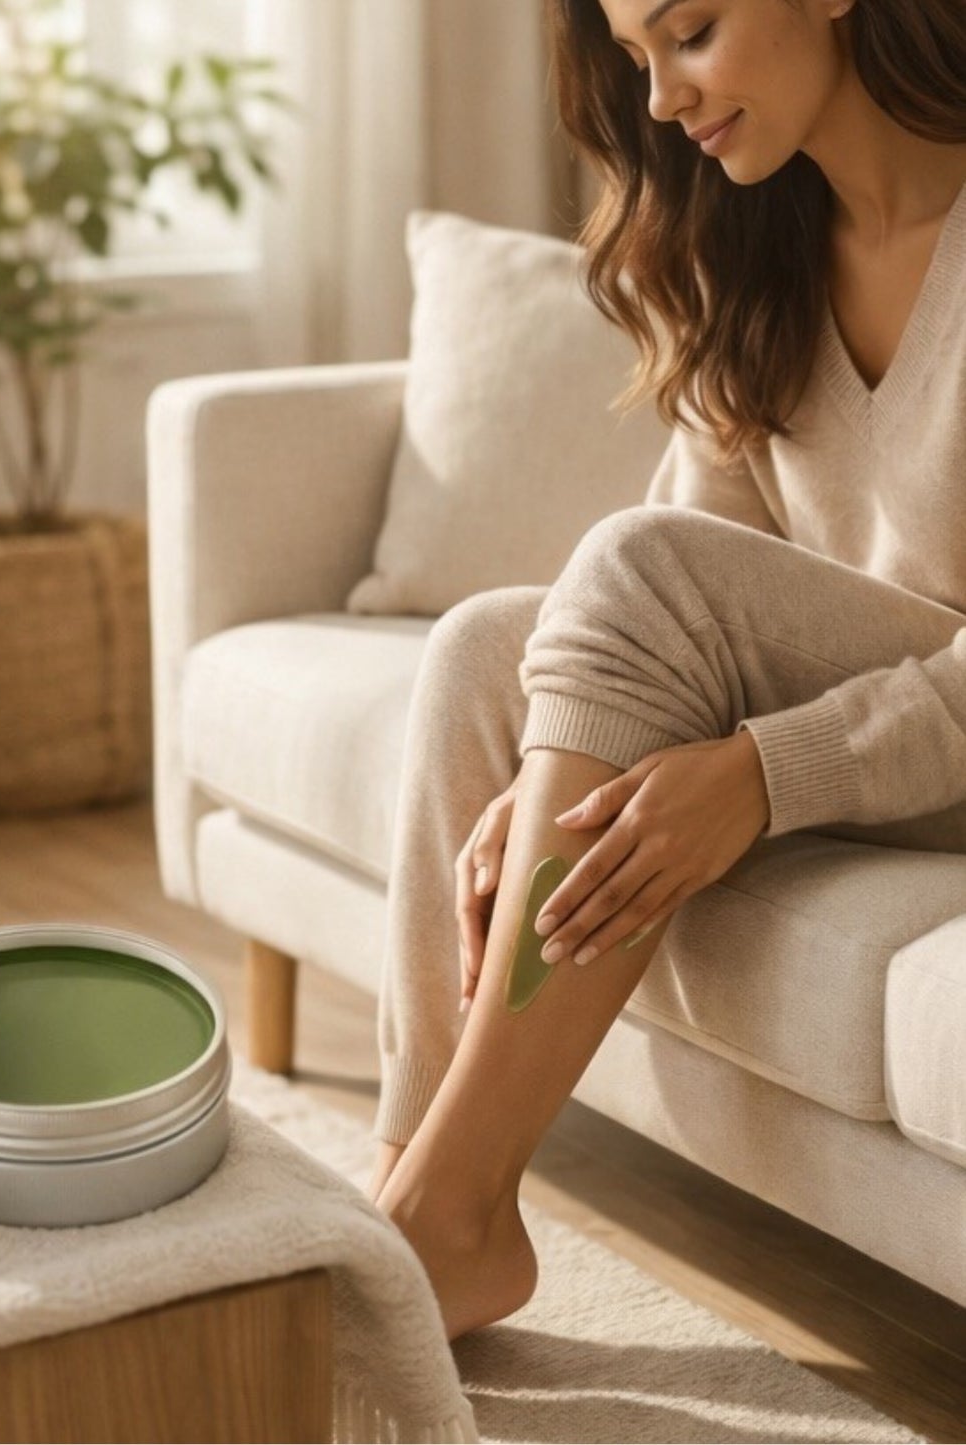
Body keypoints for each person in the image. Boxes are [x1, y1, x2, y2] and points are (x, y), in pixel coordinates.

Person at [367, 0, 966, 1341]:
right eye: (637, 58)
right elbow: (688, 571)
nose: (659, 102)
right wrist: (549, 773)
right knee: (481, 650)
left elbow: (663, 581)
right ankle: (413, 1180)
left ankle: (436, 1225)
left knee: (635, 568)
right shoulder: (756, 245)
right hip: (876, 726)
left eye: (688, 32)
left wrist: (762, 772)